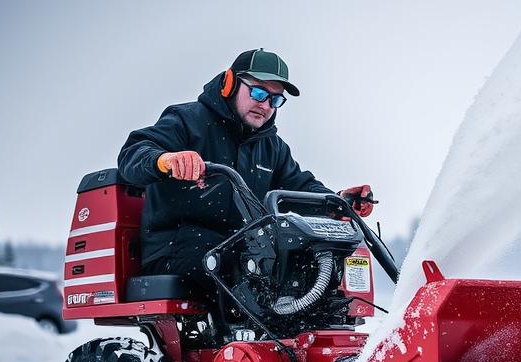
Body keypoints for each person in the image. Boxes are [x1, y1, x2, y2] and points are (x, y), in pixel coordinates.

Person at [117, 48, 373, 299]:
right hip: (177, 246)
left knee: (308, 267)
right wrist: (166, 160)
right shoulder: (187, 121)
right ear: (229, 84)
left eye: (275, 100)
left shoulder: (271, 146)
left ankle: (316, 336)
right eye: (259, 92)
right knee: (244, 269)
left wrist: (338, 202)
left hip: (241, 247)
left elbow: (300, 187)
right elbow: (133, 154)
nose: (265, 105)